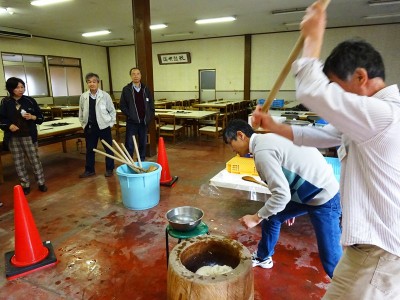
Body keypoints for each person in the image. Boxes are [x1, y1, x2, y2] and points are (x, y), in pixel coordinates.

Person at [252, 1, 400, 298]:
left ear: (360, 77)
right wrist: (274, 126)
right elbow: (322, 135)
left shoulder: (382, 115)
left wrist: (313, 35)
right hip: (368, 251)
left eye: (337, 86)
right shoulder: (371, 119)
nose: (336, 98)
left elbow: (310, 91)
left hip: (380, 254)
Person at [223, 119, 342, 278]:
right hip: (308, 192)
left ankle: (350, 292)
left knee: (331, 259)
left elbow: (281, 195)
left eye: (230, 143)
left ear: (240, 135)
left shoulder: (262, 152)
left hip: (324, 198)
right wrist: (290, 204)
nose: (231, 149)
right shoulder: (267, 140)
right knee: (272, 215)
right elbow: (285, 185)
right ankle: (263, 257)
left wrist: (255, 218)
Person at [0, 77, 47, 195]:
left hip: (28, 136)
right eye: (17, 87)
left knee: (34, 160)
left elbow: (41, 118)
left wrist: (32, 117)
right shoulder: (5, 102)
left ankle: (41, 182)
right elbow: (1, 119)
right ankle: (25, 184)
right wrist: (9, 125)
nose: (21, 90)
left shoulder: (30, 101)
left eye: (22, 87)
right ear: (11, 89)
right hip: (13, 137)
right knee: (18, 162)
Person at [78, 73, 116, 178]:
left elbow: (112, 111)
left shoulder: (105, 95)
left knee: (108, 149)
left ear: (98, 83)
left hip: (104, 127)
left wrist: (111, 123)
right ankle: (89, 170)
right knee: (90, 149)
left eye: (94, 81)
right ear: (87, 83)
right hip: (90, 127)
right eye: (89, 82)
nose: (92, 84)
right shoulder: (83, 96)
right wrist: (83, 124)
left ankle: (109, 169)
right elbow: (81, 111)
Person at [119, 67, 155, 161]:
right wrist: (130, 115)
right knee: (129, 144)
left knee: (143, 143)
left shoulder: (146, 89)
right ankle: (129, 162)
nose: (136, 76)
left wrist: (149, 117)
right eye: (133, 74)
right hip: (132, 122)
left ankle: (141, 161)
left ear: (140, 75)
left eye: (138, 74)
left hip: (144, 122)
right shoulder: (126, 89)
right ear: (130, 76)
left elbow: (151, 104)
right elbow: (122, 105)